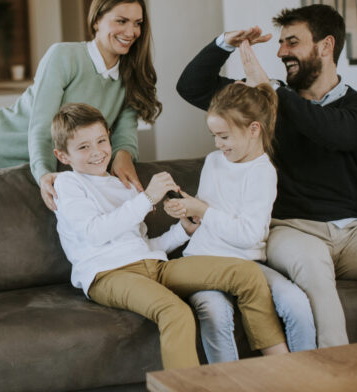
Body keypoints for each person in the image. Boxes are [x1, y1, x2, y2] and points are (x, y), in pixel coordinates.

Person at [176, 4, 357, 348]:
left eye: (292, 42)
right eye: (281, 43)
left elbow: (332, 133)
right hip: (291, 229)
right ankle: (337, 376)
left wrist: (273, 89)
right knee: (313, 266)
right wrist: (224, 43)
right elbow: (192, 88)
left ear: (326, 46)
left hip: (354, 233)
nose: (282, 52)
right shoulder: (264, 104)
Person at [51, 102, 288, 369]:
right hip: (108, 274)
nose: (96, 152)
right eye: (83, 147)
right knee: (176, 313)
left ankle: (277, 367)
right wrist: (147, 198)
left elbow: (142, 245)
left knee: (246, 273)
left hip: (154, 265)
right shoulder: (67, 184)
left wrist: (183, 231)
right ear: (63, 156)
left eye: (101, 141)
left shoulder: (123, 185)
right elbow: (95, 233)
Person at [0, 0, 162, 210]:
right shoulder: (64, 56)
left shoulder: (131, 75)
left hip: (38, 167)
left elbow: (125, 130)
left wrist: (123, 154)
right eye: (121, 21)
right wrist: (44, 173)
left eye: (137, 23)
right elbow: (42, 124)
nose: (131, 32)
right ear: (97, 20)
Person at [163, 82, 316, 362]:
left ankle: (303, 375)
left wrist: (205, 210)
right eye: (214, 136)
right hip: (204, 259)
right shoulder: (213, 161)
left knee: (296, 303)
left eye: (224, 136)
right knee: (215, 313)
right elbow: (208, 212)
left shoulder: (262, 173)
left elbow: (249, 235)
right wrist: (190, 208)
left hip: (247, 264)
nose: (218, 144)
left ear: (254, 129)